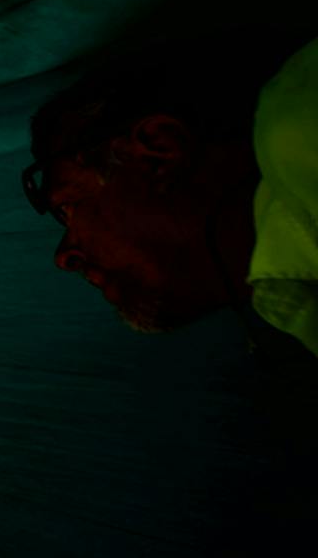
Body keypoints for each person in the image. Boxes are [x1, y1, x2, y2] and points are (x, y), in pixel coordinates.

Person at [23, 28, 317, 357]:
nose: (64, 258)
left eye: (68, 206)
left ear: (158, 152)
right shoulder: (283, 294)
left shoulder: (302, 124)